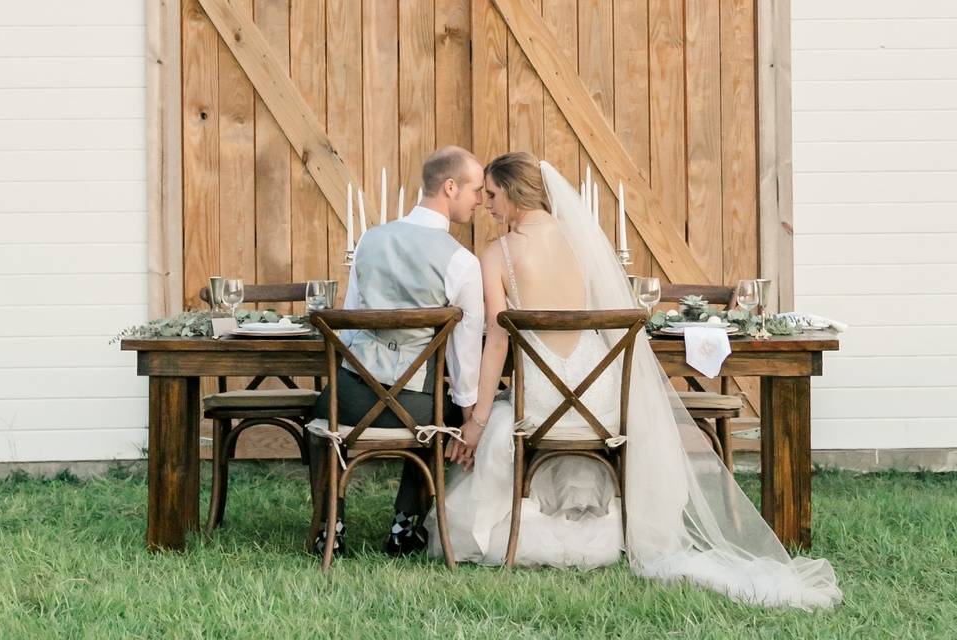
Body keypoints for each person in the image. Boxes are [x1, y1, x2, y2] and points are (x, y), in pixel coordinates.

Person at [429, 152, 841, 610]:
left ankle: (528, 524)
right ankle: (608, 523)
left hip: (542, 402)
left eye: (491, 194)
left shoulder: (496, 253)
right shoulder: (584, 243)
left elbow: (498, 343)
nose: (486, 204)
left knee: (504, 420)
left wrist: (478, 420)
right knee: (519, 412)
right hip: (601, 399)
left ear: (513, 191)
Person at [310, 146, 485, 557]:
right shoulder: (461, 262)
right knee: (446, 412)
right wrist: (465, 414)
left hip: (350, 402)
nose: (478, 200)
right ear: (450, 187)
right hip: (419, 407)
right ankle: (404, 528)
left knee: (320, 407)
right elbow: (465, 353)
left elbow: (351, 323)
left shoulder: (370, 240)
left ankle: (329, 528)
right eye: (475, 190)